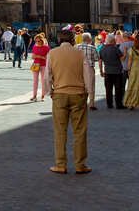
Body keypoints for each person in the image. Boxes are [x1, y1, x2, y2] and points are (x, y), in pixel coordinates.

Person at [46, 29, 91, 175]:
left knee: (60, 131)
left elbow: (47, 76)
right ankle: (80, 165)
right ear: (73, 40)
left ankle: (60, 164)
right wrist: (88, 92)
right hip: (78, 94)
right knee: (80, 131)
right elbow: (87, 74)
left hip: (59, 94)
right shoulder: (80, 53)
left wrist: (49, 91)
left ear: (59, 40)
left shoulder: (52, 53)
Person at [99, 32, 126, 109]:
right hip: (117, 72)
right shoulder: (115, 49)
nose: (115, 41)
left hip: (107, 71)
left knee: (108, 89)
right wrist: (125, 52)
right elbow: (122, 59)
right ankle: (118, 104)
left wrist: (101, 71)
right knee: (118, 89)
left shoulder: (102, 49)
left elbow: (100, 61)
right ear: (112, 41)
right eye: (114, 40)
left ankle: (109, 104)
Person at [76, 32, 100, 109]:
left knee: (80, 86)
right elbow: (97, 58)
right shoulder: (92, 47)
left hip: (78, 68)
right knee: (91, 86)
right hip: (89, 67)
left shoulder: (76, 47)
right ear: (89, 39)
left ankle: (81, 103)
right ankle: (91, 103)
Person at [30, 32, 51, 102]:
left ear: (42, 40)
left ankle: (43, 95)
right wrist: (39, 56)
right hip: (36, 65)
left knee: (43, 81)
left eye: (38, 41)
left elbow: (47, 58)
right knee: (35, 81)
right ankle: (34, 95)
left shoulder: (46, 48)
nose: (37, 42)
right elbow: (32, 56)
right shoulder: (34, 47)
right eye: (36, 41)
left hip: (43, 65)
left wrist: (39, 56)